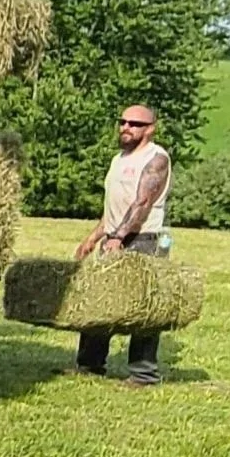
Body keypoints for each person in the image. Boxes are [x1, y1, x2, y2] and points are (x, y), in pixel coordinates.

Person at [69, 104, 173, 387]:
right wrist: (95, 237)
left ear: (150, 129)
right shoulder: (119, 159)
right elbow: (115, 206)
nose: (127, 127)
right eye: (123, 121)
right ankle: (90, 365)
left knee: (142, 308)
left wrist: (118, 238)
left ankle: (143, 374)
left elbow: (141, 203)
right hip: (114, 239)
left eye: (136, 124)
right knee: (100, 302)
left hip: (144, 241)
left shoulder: (156, 159)